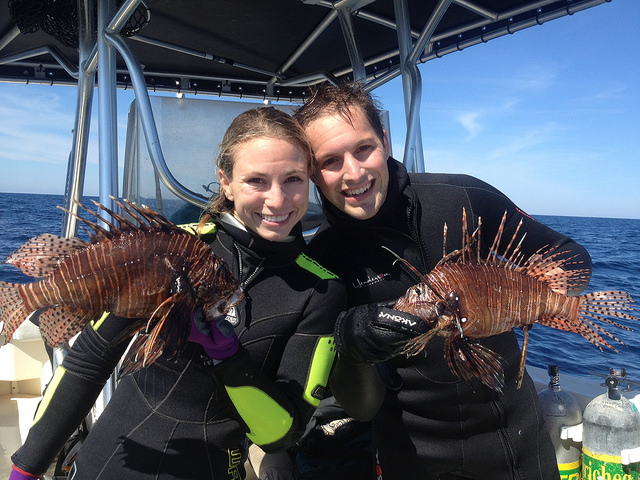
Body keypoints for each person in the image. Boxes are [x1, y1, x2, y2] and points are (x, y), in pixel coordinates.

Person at [9, 107, 346, 480]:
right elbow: (89, 362)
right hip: (107, 463)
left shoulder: (322, 290)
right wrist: (27, 465)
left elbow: (281, 434)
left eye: (293, 179)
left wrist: (228, 357)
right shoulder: (168, 249)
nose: (278, 200)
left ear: (310, 180)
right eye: (256, 180)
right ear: (226, 181)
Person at [293, 82, 593, 479]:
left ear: (384, 140)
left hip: (523, 448)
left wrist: (520, 297)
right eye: (330, 160)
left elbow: (572, 256)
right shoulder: (323, 260)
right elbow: (362, 407)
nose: (354, 172)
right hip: (414, 461)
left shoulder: (460, 197)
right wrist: (354, 347)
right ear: (313, 173)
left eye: (363, 148)